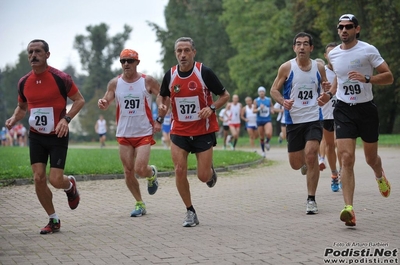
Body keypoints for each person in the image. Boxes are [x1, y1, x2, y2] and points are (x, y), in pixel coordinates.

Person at [318, 14, 393, 226]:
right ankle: (348, 209)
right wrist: (329, 94)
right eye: (341, 27)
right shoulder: (333, 56)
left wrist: (367, 78)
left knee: (370, 158)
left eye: (348, 27)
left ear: (356, 29)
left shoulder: (368, 50)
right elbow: (339, 82)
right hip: (343, 109)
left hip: (366, 109)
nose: (344, 30)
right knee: (346, 158)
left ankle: (379, 174)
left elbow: (388, 76)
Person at [5, 39, 85, 234]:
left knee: (55, 180)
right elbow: (22, 107)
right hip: (36, 136)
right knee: (38, 178)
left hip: (58, 134)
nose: (33, 55)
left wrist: (65, 119)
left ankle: (69, 185)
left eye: (38, 51)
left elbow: (79, 100)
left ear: (47, 55)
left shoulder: (61, 78)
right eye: (30, 52)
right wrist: (15, 117)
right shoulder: (24, 82)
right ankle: (53, 219)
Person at [155, 37, 230, 227]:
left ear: (193, 53)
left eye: (186, 50)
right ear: (175, 54)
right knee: (179, 170)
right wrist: (162, 106)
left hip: (202, 130)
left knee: (202, 176)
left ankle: (210, 172)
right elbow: (162, 95)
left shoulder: (204, 72)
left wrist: (211, 108)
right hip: (179, 130)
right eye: (179, 51)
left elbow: (225, 95)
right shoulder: (170, 75)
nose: (183, 54)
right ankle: (190, 211)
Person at [270, 32, 330, 214]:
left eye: (305, 44)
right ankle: (304, 162)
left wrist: (325, 95)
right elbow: (274, 90)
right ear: (294, 48)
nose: (302, 47)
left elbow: (326, 87)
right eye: (298, 44)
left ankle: (311, 199)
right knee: (296, 164)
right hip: (294, 120)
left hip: (313, 117)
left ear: (311, 48)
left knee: (312, 155)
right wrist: (283, 102)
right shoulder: (286, 68)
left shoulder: (319, 67)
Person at [98, 48, 160, 217]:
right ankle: (140, 203)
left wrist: (160, 117)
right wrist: (103, 103)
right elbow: (107, 98)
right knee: (128, 170)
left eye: (129, 61)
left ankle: (151, 173)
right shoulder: (115, 83)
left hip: (143, 131)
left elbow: (162, 95)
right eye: (123, 61)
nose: (126, 64)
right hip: (124, 132)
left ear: (137, 63)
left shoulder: (148, 81)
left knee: (140, 168)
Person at [319, 43, 341, 192]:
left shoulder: (343, 69)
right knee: (330, 146)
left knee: (342, 145)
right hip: (327, 115)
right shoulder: (322, 73)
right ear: (326, 56)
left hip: (343, 113)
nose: (332, 56)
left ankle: (344, 172)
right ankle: (334, 174)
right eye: (330, 53)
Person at [253, 86, 274, 157]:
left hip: (267, 119)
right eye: (260, 92)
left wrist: (272, 110)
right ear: (258, 93)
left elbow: (272, 106)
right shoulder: (256, 100)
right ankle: (263, 151)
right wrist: (259, 108)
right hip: (259, 120)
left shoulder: (268, 99)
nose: (261, 93)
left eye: (262, 91)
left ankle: (267, 141)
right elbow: (254, 110)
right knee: (261, 137)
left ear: (264, 92)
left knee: (269, 133)